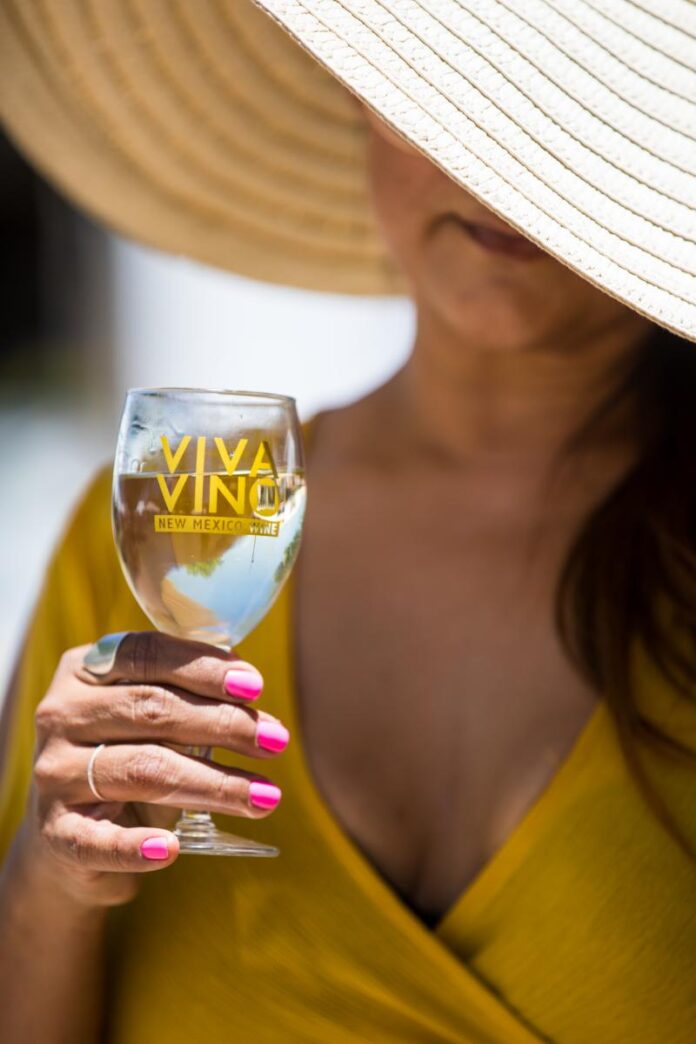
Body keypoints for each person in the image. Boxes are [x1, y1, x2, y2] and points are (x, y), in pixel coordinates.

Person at [0, 3, 694, 1042]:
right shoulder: (160, 521)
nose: (502, 154)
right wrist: (46, 884)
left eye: (571, 110)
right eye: (454, 84)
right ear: (363, 95)